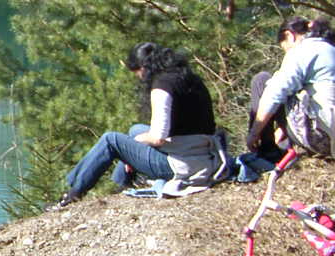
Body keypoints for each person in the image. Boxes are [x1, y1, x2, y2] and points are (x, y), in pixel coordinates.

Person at [54, 42, 228, 208]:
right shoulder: (188, 77)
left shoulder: (162, 87)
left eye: (136, 72)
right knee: (135, 129)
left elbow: (158, 138)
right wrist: (134, 146)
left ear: (144, 69)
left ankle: (73, 194)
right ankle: (121, 185)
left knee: (111, 140)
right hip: (204, 154)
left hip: (184, 165)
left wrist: (137, 142)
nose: (138, 77)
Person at [245, 16, 335, 162]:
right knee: (295, 89)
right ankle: (282, 144)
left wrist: (254, 133)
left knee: (262, 80)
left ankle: (267, 152)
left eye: (285, 48)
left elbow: (274, 94)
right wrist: (283, 129)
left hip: (320, 138)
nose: (287, 53)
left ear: (290, 36)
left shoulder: (302, 50)